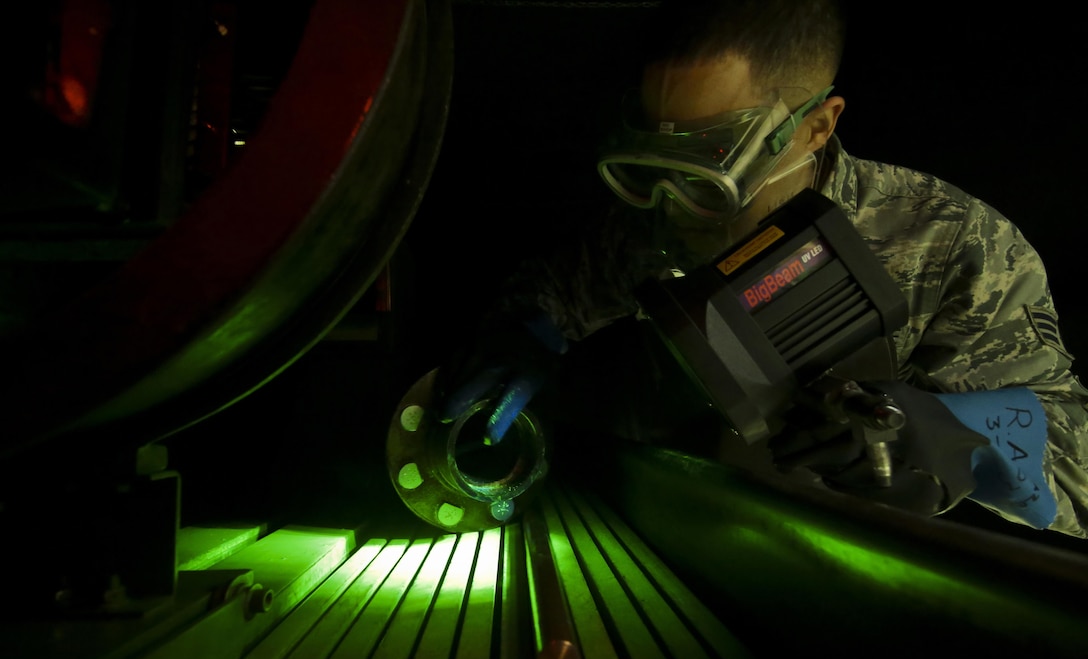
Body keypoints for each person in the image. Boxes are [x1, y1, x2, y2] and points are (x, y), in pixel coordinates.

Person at [436, 0, 1088, 538]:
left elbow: (1075, 467)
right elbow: (556, 289)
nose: (671, 201)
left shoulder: (952, 243)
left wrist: (947, 438)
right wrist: (526, 337)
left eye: (711, 160)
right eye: (656, 161)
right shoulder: (659, 219)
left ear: (816, 129)